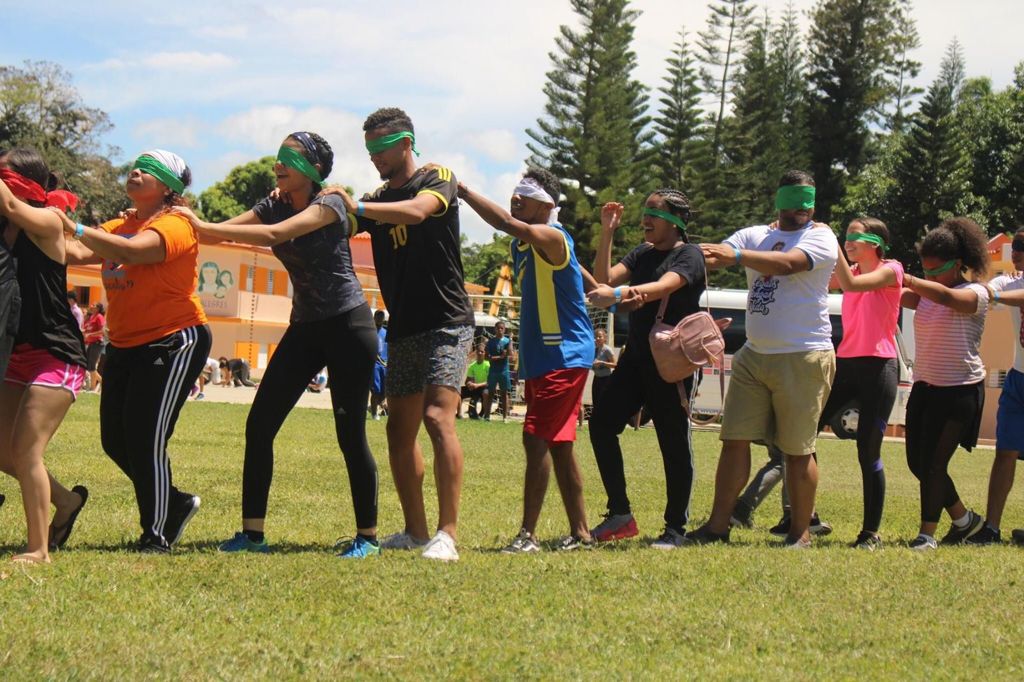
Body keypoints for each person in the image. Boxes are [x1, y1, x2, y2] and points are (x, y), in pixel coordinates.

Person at [174, 131, 380, 558]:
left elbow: (275, 236)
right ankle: (252, 536)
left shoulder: (332, 204)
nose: (280, 163)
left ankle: (368, 537)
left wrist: (199, 224)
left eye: (292, 156)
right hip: (305, 327)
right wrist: (184, 221)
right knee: (260, 424)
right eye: (280, 155)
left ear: (315, 169)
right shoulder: (274, 203)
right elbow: (218, 235)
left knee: (350, 435)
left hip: (348, 325)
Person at [321, 107, 475, 561]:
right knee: (398, 430)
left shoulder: (435, 178)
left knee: (437, 417)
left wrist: (359, 205)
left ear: (405, 142)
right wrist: (305, 195)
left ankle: (447, 534)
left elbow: (416, 213)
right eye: (368, 150)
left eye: (381, 149)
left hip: (448, 320)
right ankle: (414, 530)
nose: (374, 158)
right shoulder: (377, 197)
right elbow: (339, 222)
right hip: (405, 326)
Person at [61, 149, 210, 553]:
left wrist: (71, 225)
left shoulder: (178, 223)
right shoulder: (121, 223)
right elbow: (76, 252)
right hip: (126, 343)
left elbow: (130, 252)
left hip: (174, 338)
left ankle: (156, 533)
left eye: (149, 170)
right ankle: (175, 501)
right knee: (115, 439)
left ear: (168, 187)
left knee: (146, 437)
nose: (136, 172)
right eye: (135, 167)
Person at [691, 170, 838, 548]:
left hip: (804, 355)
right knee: (733, 440)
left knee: (796, 449)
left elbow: (789, 264)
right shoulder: (755, 234)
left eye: (805, 204)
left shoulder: (821, 236)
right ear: (779, 200)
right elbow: (714, 256)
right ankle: (717, 526)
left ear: (813, 203)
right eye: (792, 204)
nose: (799, 212)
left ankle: (799, 533)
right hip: (754, 356)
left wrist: (736, 255)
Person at [459, 168, 596, 551]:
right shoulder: (533, 243)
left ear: (547, 205)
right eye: (515, 193)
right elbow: (577, 270)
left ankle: (527, 536)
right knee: (559, 445)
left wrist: (465, 191)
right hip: (543, 356)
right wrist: (599, 288)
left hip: (565, 353)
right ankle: (582, 534)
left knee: (534, 438)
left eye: (525, 194)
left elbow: (505, 223)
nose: (515, 199)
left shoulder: (550, 235)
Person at [587, 190, 705, 549]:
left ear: (677, 221)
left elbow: (664, 286)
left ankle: (675, 528)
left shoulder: (690, 255)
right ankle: (620, 514)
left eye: (654, 212)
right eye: (645, 211)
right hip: (635, 358)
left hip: (671, 363)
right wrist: (607, 231)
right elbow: (603, 278)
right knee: (602, 424)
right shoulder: (642, 253)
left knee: (672, 441)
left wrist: (623, 294)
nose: (645, 219)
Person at [0, 148, 89, 563]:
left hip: (58, 354)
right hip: (21, 352)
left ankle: (38, 549)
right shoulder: (8, 228)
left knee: (26, 451)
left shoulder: (50, 222)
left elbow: (11, 202)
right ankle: (66, 502)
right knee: (5, 453)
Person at [900, 218, 991, 550]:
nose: (930, 277)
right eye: (925, 271)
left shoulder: (976, 292)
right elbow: (895, 293)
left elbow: (947, 299)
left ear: (959, 264)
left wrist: (909, 280)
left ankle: (927, 535)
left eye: (937, 271)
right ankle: (965, 521)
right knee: (916, 463)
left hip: (960, 391)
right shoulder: (925, 292)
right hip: (925, 386)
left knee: (936, 464)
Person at [816, 217, 904, 549]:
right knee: (804, 435)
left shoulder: (891, 269)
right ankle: (805, 515)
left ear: (875, 243)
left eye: (854, 237)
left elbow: (852, 287)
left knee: (867, 449)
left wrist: (830, 240)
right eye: (845, 238)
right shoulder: (850, 273)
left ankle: (870, 533)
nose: (848, 242)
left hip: (880, 368)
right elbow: (818, 281)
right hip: (846, 366)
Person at [973, 229, 1024, 545]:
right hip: (1018, 379)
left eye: (1023, 248)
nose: (1017, 252)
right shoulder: (1009, 281)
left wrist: (994, 296)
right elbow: (986, 290)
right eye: (1016, 247)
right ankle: (991, 527)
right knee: (1004, 452)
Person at [484, 320, 512, 421]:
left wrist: (511, 340)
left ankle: (505, 417)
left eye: (502, 328)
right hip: (493, 371)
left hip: (504, 371)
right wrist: (500, 357)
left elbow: (509, 354)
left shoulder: (507, 341)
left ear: (504, 330)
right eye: (498, 328)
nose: (500, 330)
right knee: (490, 393)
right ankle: (487, 416)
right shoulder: (491, 342)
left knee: (504, 394)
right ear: (495, 329)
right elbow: (487, 357)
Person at [459, 345, 489, 420]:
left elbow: (490, 382)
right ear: (476, 353)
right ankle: (459, 414)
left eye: (482, 351)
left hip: (485, 387)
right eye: (478, 351)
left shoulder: (488, 365)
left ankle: (484, 414)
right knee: (458, 392)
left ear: (485, 353)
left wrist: (477, 385)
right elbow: (468, 380)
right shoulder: (472, 366)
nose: (480, 353)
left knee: (485, 393)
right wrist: (469, 383)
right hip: (475, 387)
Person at [368, 309, 388, 420]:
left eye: (382, 316)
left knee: (384, 392)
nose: (380, 319)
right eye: (378, 316)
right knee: (376, 389)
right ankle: (374, 414)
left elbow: (388, 347)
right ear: (374, 318)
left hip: (384, 365)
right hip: (374, 364)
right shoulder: (370, 331)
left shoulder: (386, 332)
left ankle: (372, 407)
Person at [82, 302, 106, 392]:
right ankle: (97, 386)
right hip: (92, 343)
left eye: (94, 305)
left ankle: (93, 388)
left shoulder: (99, 317)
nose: (92, 306)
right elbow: (90, 329)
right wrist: (85, 331)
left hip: (97, 343)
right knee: (90, 366)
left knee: (92, 366)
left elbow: (103, 331)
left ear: (98, 308)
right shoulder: (92, 316)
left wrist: (90, 334)